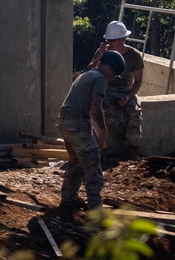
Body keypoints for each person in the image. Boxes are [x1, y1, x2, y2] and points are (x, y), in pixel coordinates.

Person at [59, 49, 126, 210]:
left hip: (66, 124)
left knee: (76, 163)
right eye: (114, 75)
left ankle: (69, 198)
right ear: (108, 67)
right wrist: (103, 129)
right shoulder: (100, 78)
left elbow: (83, 109)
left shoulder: (87, 74)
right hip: (77, 125)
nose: (113, 79)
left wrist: (94, 133)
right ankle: (96, 209)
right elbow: (95, 107)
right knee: (93, 167)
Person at [86, 20, 144, 159]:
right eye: (108, 40)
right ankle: (116, 139)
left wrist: (129, 96)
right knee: (104, 110)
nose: (109, 43)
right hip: (106, 88)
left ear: (123, 39)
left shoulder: (134, 55)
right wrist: (100, 55)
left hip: (125, 90)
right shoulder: (104, 53)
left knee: (135, 114)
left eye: (112, 40)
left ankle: (132, 148)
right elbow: (88, 71)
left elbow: (138, 80)